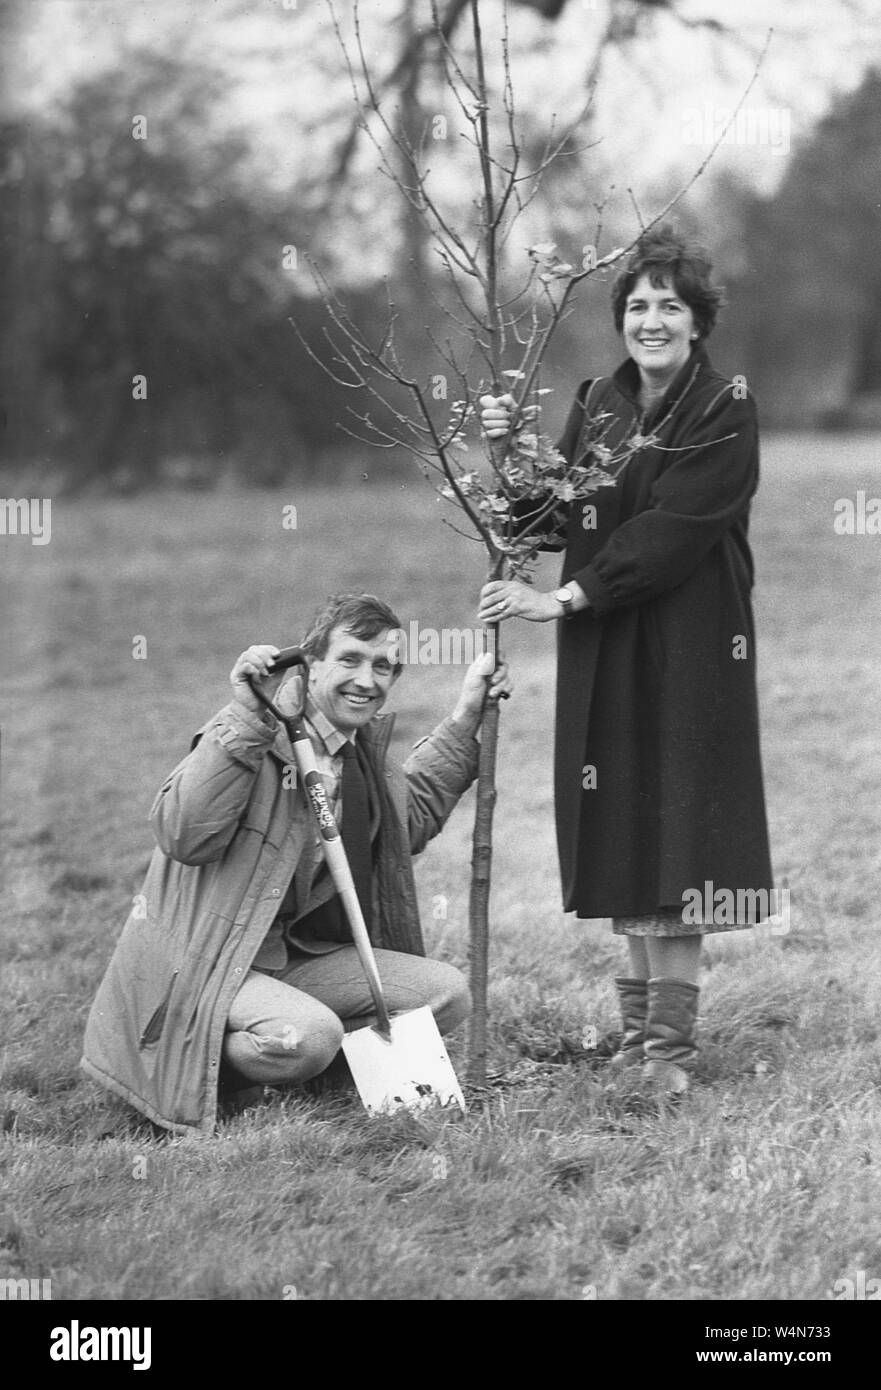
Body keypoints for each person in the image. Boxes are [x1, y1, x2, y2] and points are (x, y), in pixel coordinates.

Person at [478, 224, 774, 1094]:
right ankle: (638, 1036)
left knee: (677, 833)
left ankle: (670, 1056)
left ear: (697, 322)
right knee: (622, 824)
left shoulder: (726, 407)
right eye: (638, 305)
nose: (651, 319)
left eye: (669, 305)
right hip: (608, 641)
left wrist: (562, 598)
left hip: (686, 644)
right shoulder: (599, 404)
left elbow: (667, 534)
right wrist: (505, 455)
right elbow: (555, 517)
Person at [81, 593, 511, 1135]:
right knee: (309, 1035)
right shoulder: (256, 734)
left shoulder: (355, 753)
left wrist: (467, 713)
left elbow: (409, 820)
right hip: (208, 953)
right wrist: (245, 715)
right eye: (350, 659)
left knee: (444, 994)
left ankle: (298, 1063)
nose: (367, 680)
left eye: (382, 666)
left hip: (289, 954)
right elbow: (183, 833)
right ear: (309, 664)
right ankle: (185, 1063)